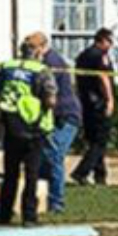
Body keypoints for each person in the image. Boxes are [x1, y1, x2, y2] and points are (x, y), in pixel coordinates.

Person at [0, 35, 57, 226]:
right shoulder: (41, 71)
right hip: (34, 128)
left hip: (10, 126)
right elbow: (50, 100)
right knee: (32, 174)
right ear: (38, 51)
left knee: (10, 173)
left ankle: (4, 214)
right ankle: (29, 216)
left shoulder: (7, 67)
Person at [38, 30, 82, 213]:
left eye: (31, 48)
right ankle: (40, 198)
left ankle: (57, 203)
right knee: (43, 156)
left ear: (42, 46)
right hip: (56, 117)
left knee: (54, 155)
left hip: (67, 117)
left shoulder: (51, 63)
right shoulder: (45, 62)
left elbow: (50, 95)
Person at [71, 28, 117, 187]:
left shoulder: (82, 56)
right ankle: (81, 172)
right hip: (99, 103)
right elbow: (103, 78)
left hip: (86, 102)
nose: (111, 45)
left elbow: (78, 80)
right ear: (102, 40)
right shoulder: (100, 56)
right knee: (100, 141)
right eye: (110, 41)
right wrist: (110, 100)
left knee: (94, 141)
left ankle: (100, 176)